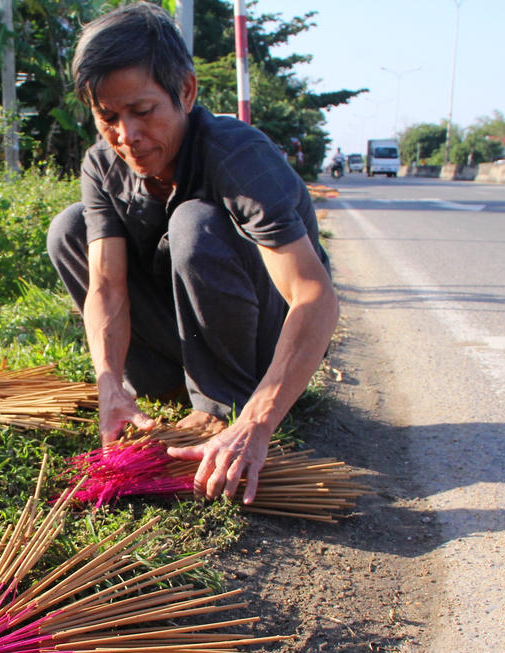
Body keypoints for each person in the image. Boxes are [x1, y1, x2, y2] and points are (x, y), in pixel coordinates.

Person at [46, 2, 339, 503]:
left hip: (263, 349)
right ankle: (168, 387)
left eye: (142, 112)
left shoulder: (238, 156)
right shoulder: (103, 166)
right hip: (184, 343)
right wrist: (108, 382)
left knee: (194, 222)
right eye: (107, 117)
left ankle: (223, 404)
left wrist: (257, 421)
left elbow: (315, 297)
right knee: (69, 229)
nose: (126, 136)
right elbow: (107, 286)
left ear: (185, 90)